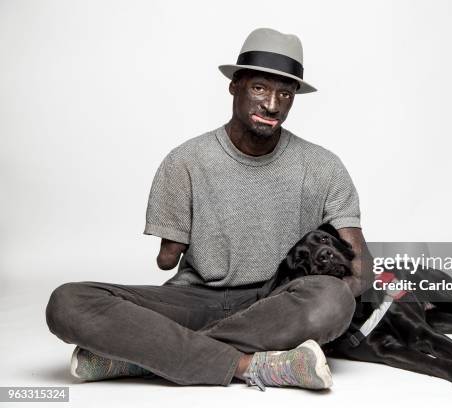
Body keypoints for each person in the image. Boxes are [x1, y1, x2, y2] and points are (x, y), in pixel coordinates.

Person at [45, 28, 374, 391]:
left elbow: (361, 271)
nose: (272, 105)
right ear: (235, 86)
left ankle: (143, 358)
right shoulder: (185, 160)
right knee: (68, 302)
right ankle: (249, 364)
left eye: (285, 93)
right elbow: (167, 261)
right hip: (194, 299)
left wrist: (331, 284)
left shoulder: (323, 166)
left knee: (333, 301)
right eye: (260, 88)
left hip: (278, 303)